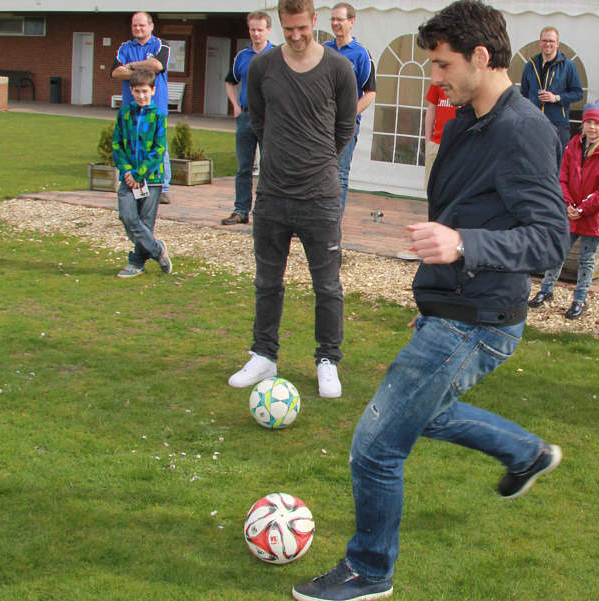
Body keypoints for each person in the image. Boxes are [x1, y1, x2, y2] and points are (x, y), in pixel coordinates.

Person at [291, 2, 570, 600]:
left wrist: (464, 244)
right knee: (425, 414)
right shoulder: (469, 120)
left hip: (479, 319)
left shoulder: (523, 130)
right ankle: (526, 453)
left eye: (443, 65)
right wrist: (437, 296)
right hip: (452, 308)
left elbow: (551, 240)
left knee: (375, 448)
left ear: (481, 57)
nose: (435, 77)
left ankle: (369, 571)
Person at [227, 0, 357, 399]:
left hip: (320, 196)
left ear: (315, 20)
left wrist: (316, 160)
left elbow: (345, 127)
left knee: (327, 286)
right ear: (279, 24)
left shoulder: (339, 68)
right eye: (289, 29)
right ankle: (264, 354)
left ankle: (327, 360)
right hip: (272, 194)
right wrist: (281, 157)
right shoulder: (261, 67)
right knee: (267, 281)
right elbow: (259, 121)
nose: (297, 36)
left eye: (303, 27)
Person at [527, 99, 599, 319]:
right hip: (570, 213)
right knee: (558, 252)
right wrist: (568, 203)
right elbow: (563, 177)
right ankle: (546, 290)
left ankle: (580, 299)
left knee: (586, 259)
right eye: (589, 122)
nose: (592, 127)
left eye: (597, 123)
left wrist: (583, 209)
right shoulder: (572, 147)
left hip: (593, 217)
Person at [111, 68, 172, 279]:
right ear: (131, 91)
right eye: (137, 91)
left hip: (151, 180)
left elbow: (159, 150)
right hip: (128, 179)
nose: (141, 95)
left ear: (153, 90)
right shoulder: (124, 114)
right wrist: (127, 171)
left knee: (145, 223)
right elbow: (117, 145)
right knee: (127, 216)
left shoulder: (158, 116)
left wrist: (139, 174)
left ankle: (136, 263)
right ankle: (157, 249)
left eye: (145, 91)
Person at [111, 11, 172, 205]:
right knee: (130, 144)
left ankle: (163, 188)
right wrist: (144, 73)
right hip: (131, 108)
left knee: (159, 146)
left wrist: (131, 66)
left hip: (155, 106)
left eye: (142, 25)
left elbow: (158, 65)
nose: (138, 28)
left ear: (151, 26)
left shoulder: (160, 45)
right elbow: (115, 72)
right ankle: (133, 181)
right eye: (135, 25)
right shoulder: (125, 47)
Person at [221, 11, 273, 226]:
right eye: (253, 30)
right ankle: (241, 210)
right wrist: (235, 105)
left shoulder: (277, 56)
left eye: (260, 30)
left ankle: (266, 212)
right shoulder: (242, 57)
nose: (256, 34)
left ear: (268, 30)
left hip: (269, 119)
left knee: (269, 167)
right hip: (245, 117)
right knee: (244, 167)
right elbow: (230, 81)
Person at [324, 2, 377, 214]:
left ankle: (333, 223)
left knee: (339, 175)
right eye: (333, 19)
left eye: (340, 19)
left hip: (345, 126)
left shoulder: (361, 54)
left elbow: (370, 93)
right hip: (321, 124)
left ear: (351, 22)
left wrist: (347, 116)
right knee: (316, 173)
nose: (336, 23)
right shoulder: (323, 51)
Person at [519, 26, 583, 150]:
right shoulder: (530, 66)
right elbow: (523, 94)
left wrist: (556, 98)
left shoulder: (568, 66)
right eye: (545, 40)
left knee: (557, 158)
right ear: (540, 42)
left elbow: (578, 93)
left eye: (551, 41)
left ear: (557, 43)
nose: (548, 44)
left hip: (558, 123)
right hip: (534, 122)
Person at [423, 83, 458, 189]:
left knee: (456, 190)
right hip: (437, 145)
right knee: (432, 190)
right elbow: (431, 108)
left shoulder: (469, 79)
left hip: (461, 145)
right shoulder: (439, 79)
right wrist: (428, 142)